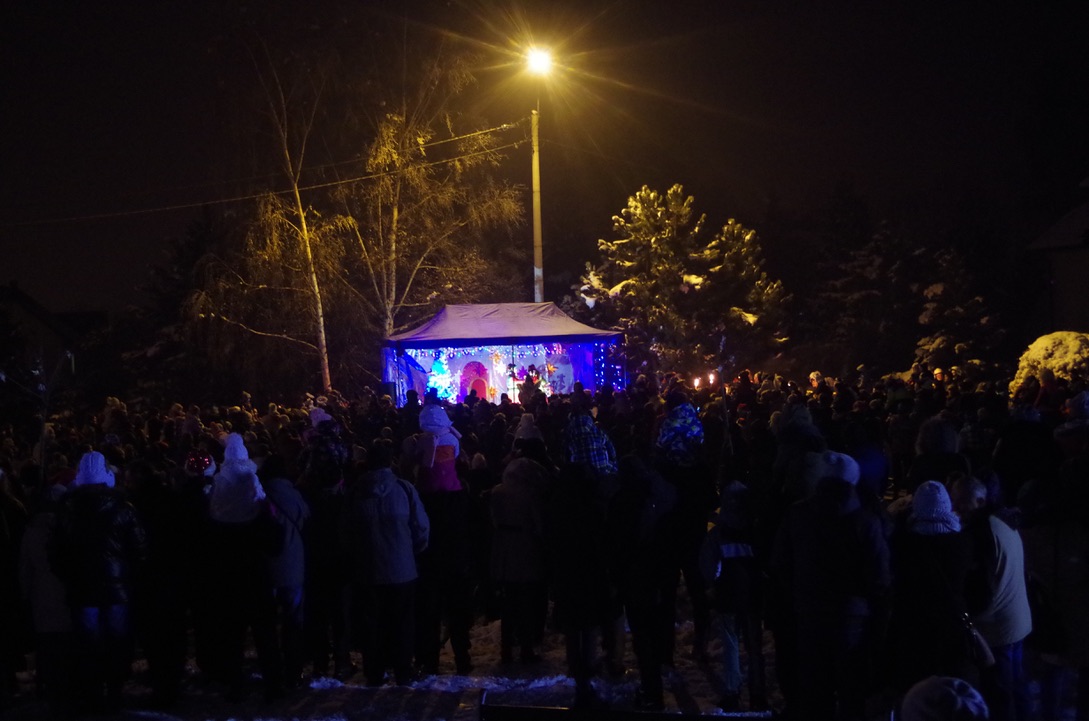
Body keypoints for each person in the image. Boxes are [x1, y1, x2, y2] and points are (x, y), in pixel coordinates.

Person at [772, 451, 891, 721]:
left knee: (815, 689)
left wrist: (799, 592)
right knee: (851, 691)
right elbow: (880, 575)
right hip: (852, 617)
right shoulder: (865, 521)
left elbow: (781, 562)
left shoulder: (798, 514)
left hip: (810, 613)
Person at [50, 451, 148, 714]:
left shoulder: (67, 509)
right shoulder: (123, 508)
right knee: (117, 640)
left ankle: (93, 692)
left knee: (89, 642)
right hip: (117, 589)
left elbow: (56, 552)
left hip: (82, 589)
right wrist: (128, 576)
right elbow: (139, 549)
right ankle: (114, 691)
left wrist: (69, 576)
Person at [342, 439, 430, 686]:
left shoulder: (355, 492)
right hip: (401, 568)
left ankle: (374, 670)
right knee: (401, 621)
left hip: (368, 568)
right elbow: (420, 526)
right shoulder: (404, 489)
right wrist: (412, 551)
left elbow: (346, 531)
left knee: (372, 621)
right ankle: (403, 669)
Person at [950, 476, 1031, 721]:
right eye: (954, 501)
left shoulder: (980, 532)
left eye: (962, 502)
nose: (956, 509)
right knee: (1017, 688)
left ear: (980, 500)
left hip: (996, 628)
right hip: (1017, 619)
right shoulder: (1003, 521)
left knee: (1000, 695)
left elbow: (981, 589)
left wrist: (968, 619)